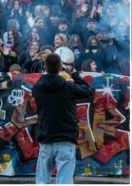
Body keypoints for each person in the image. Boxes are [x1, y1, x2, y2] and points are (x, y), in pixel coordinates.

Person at [32, 53, 93, 184]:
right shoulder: (67, 87)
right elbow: (87, 91)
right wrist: (74, 74)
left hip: (46, 137)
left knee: (42, 180)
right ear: (60, 67)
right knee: (64, 181)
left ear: (45, 66)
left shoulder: (37, 88)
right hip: (65, 138)